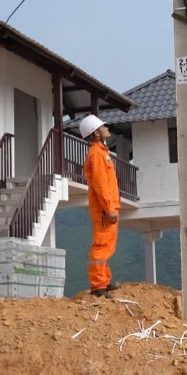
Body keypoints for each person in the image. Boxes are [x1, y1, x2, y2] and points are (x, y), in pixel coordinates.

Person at [80, 115, 121, 298]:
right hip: (105, 209)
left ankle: (103, 281)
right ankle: (98, 285)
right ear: (96, 133)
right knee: (101, 245)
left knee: (107, 247)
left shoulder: (102, 152)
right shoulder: (97, 154)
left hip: (107, 207)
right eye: (102, 126)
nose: (106, 127)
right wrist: (109, 208)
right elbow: (100, 184)